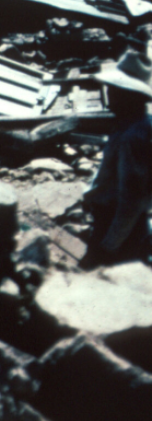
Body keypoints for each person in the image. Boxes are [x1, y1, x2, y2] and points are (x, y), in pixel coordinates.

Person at [82, 50, 152, 267]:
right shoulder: (136, 124)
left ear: (129, 96)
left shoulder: (132, 138)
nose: (108, 95)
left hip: (118, 227)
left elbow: (132, 199)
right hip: (124, 223)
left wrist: (109, 246)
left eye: (113, 91)